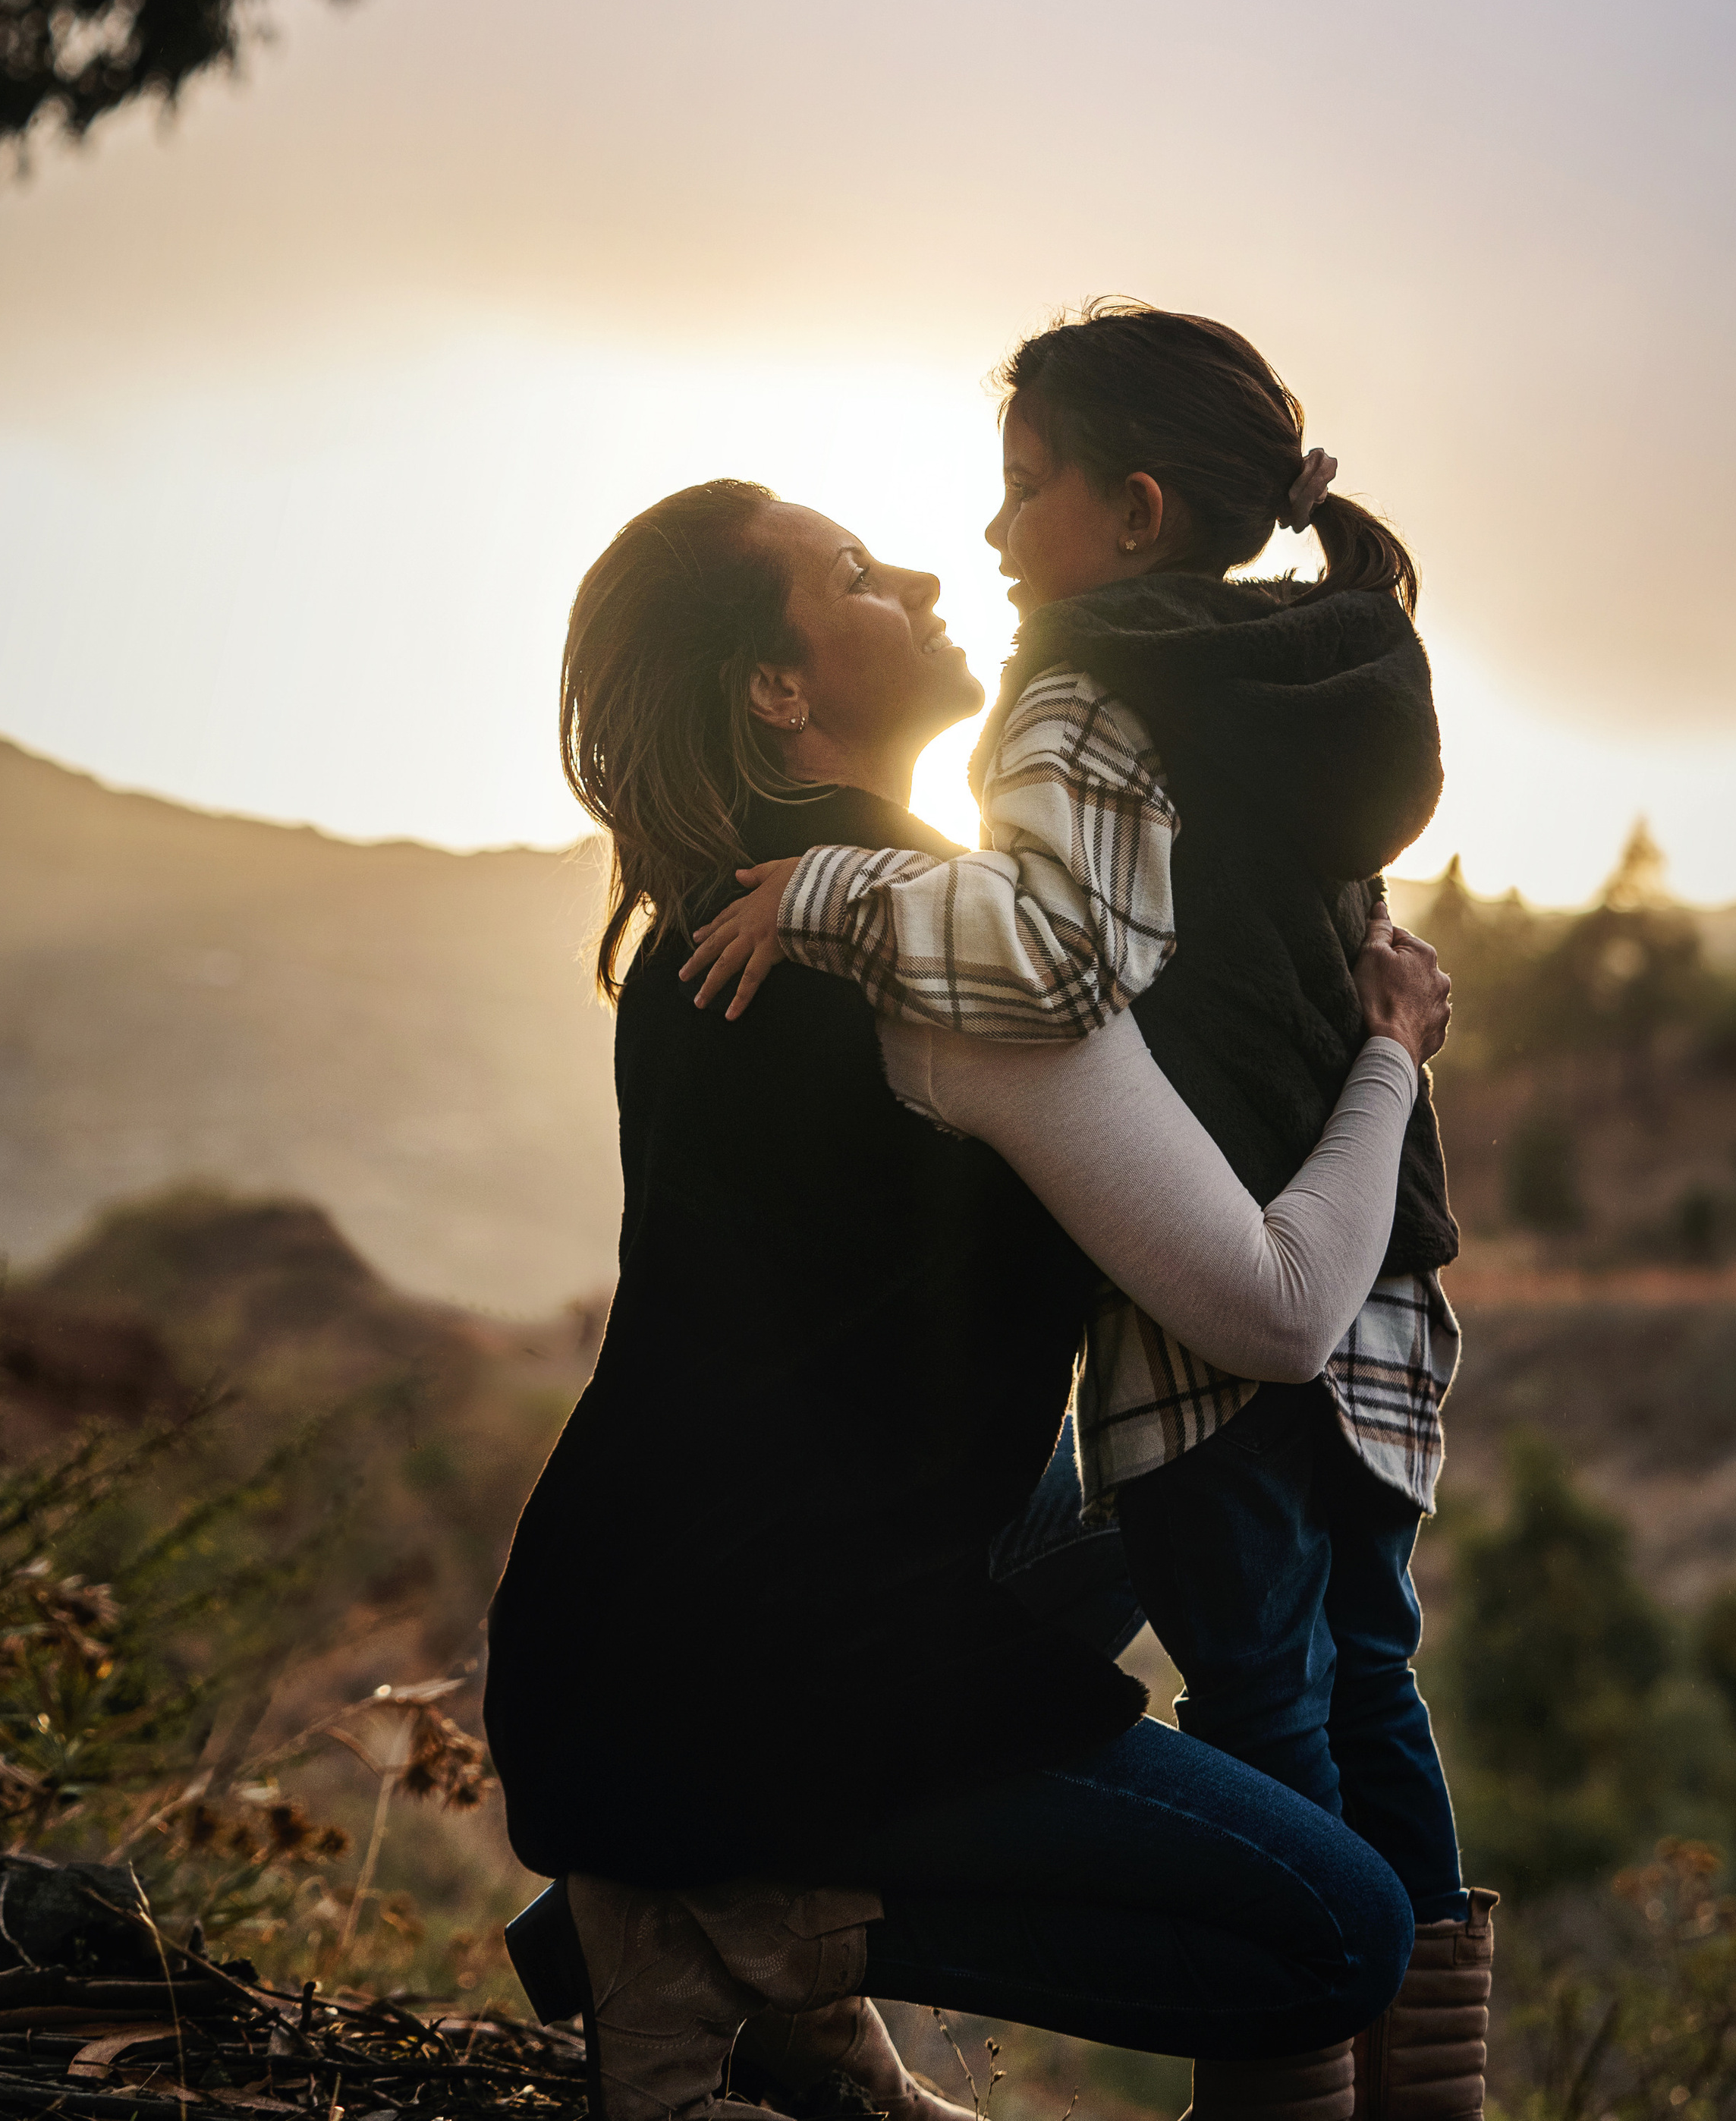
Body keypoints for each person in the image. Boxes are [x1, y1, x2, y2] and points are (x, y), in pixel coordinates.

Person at [485, 476, 1452, 2121]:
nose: (925, 572)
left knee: (1091, 1496)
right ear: (777, 690)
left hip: (611, 1649)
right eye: (855, 576)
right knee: (1332, 1941)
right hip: (767, 1682)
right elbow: (1278, 1311)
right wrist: (1387, 1061)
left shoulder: (711, 912)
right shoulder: (942, 969)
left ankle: (681, 1911)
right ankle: (752, 1926)